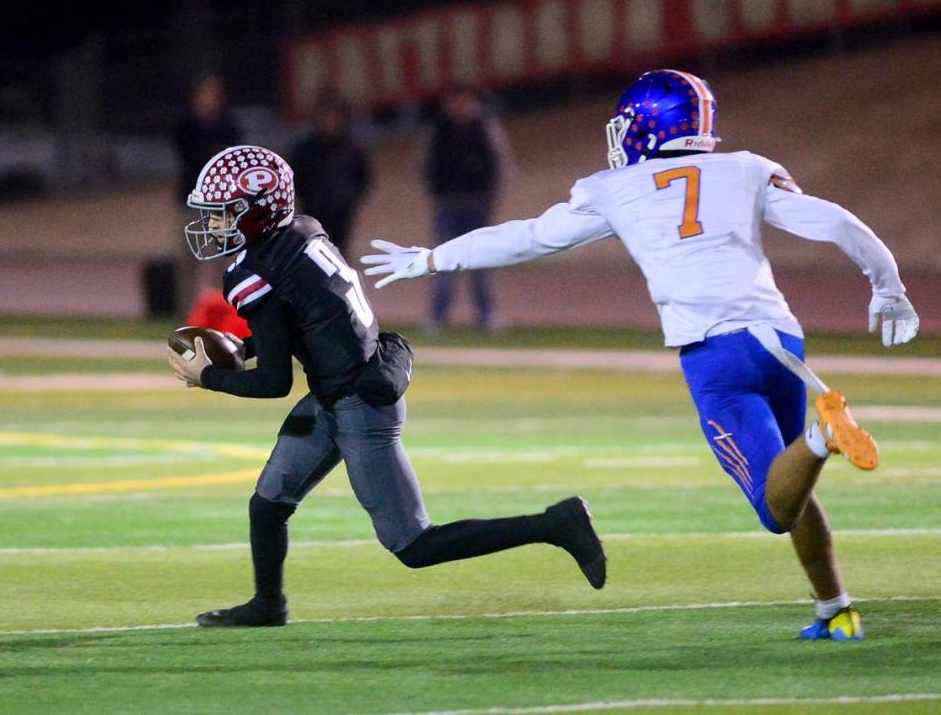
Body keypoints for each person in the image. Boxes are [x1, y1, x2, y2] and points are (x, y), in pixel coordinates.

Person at [361, 70, 921, 641]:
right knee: (792, 484)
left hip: (715, 354)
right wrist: (888, 286)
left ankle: (824, 438)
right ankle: (836, 608)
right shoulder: (748, 168)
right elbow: (836, 221)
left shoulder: (615, 188)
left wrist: (434, 259)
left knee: (775, 509)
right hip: (780, 339)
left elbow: (525, 236)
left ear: (646, 125)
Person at [167, 145, 606, 628]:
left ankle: (556, 523)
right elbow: (306, 320)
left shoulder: (257, 273)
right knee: (268, 504)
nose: (215, 225)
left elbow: (275, 382)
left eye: (227, 212)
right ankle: (268, 604)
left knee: (414, 545)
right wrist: (244, 344)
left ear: (261, 210)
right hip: (340, 388)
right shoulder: (301, 232)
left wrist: (206, 376)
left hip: (359, 405)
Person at [421, 84, 512, 330]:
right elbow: (427, 164)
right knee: (442, 262)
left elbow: (498, 164)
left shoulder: (483, 126)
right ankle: (437, 316)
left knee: (480, 263)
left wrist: (490, 197)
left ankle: (487, 314)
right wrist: (436, 192)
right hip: (448, 204)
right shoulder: (440, 128)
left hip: (477, 204)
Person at [173, 73, 242, 314]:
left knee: (220, 261)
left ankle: (219, 311)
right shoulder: (186, 125)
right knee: (188, 260)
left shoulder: (228, 125)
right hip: (192, 198)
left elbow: (231, 159)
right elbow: (190, 158)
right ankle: (186, 313)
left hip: (220, 202)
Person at [289, 99, 372, 258]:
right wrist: (307, 197)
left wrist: (350, 197)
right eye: (324, 118)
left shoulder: (351, 147)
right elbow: (295, 177)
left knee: (340, 253)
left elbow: (363, 177)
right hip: (313, 210)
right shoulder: (305, 149)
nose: (329, 123)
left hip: (342, 211)